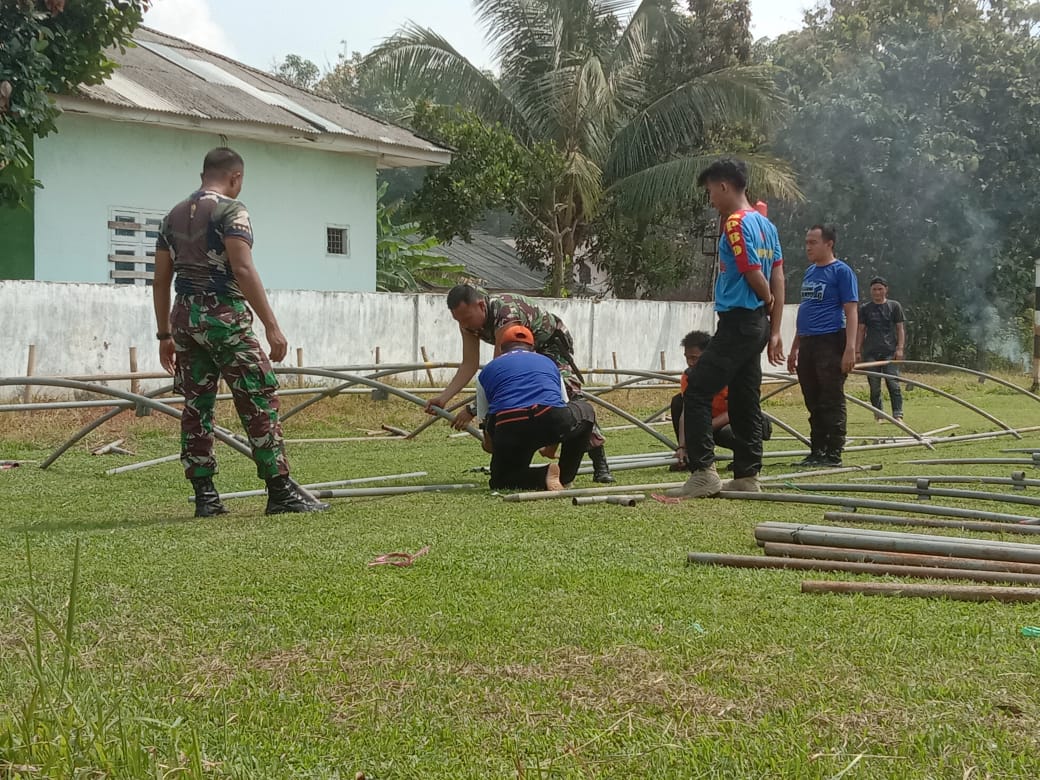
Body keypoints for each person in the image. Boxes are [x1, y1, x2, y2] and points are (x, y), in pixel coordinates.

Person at [152, 147, 328, 517]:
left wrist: (164, 335)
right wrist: (272, 326)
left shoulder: (172, 216)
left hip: (184, 317)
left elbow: (161, 281)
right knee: (257, 396)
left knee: (196, 406)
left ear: (203, 175)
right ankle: (279, 491)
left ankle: (206, 497)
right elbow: (243, 269)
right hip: (224, 317)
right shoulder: (232, 211)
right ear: (236, 177)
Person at [667, 158, 786, 498]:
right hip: (758, 324)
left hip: (738, 320)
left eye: (710, 192)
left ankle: (703, 471)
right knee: (745, 398)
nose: (711, 200)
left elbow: (751, 270)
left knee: (697, 390)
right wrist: (774, 328)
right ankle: (747, 474)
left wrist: (767, 300)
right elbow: (779, 275)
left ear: (724, 186)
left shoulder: (735, 223)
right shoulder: (766, 225)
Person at [425, 284, 614, 483]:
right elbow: (469, 364)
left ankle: (600, 463)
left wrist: (472, 410)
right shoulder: (466, 323)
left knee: (570, 393)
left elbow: (503, 374)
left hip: (549, 346)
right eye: (459, 320)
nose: (465, 324)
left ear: (481, 305)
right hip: (521, 352)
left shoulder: (506, 314)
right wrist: (443, 398)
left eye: (467, 318)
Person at [475, 325, 597, 491]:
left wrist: (493, 446)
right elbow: (561, 405)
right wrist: (551, 447)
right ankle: (564, 477)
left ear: (502, 349)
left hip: (510, 426)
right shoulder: (549, 363)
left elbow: (486, 421)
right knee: (586, 411)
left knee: (501, 481)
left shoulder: (486, 371)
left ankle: (543, 475)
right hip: (548, 417)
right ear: (533, 348)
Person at [787, 224, 859, 467]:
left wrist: (850, 348)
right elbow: (806, 311)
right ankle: (817, 450)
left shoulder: (842, 272)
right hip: (807, 341)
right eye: (806, 242)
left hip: (830, 340)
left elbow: (851, 311)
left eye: (813, 242)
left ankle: (833, 452)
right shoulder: (809, 272)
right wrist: (795, 347)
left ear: (829, 244)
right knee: (813, 399)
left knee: (831, 398)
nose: (808, 247)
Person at [669, 330, 773, 471]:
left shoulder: (728, 373)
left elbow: (735, 410)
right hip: (710, 419)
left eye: (694, 358)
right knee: (678, 402)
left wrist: (704, 428)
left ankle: (744, 459)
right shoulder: (689, 376)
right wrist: (682, 446)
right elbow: (686, 411)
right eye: (687, 358)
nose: (690, 363)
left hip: (739, 419)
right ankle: (689, 456)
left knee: (729, 431)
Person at [856, 276, 906, 421]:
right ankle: (879, 415)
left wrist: (900, 348)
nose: (877, 292)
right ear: (870, 291)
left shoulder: (894, 306)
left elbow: (900, 328)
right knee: (874, 386)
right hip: (870, 352)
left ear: (886, 290)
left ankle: (898, 414)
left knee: (893, 383)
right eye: (874, 289)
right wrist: (857, 351)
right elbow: (861, 330)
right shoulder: (865, 308)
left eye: (880, 289)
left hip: (890, 351)